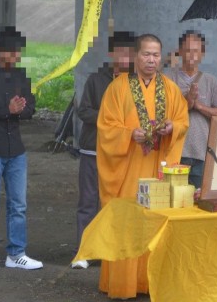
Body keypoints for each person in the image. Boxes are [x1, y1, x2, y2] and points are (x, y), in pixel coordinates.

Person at [95, 33, 189, 299]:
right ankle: (122, 283)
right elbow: (105, 127)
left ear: (162, 57)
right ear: (136, 56)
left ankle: (149, 281)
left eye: (156, 55)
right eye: (146, 54)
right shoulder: (118, 87)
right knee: (127, 222)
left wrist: (173, 127)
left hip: (157, 167)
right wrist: (128, 134)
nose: (151, 60)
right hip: (128, 169)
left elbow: (182, 120)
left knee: (155, 221)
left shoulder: (170, 88)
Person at [0, 26, 43, 272]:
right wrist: (7, 110)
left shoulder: (22, 77)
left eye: (18, 53)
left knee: (18, 204)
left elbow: (31, 108)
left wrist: (21, 109)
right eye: (11, 53)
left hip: (17, 152)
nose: (15, 57)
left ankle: (16, 253)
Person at [72, 32, 135, 270]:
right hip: (93, 150)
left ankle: (112, 250)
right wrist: (110, 121)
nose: (124, 57)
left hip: (122, 153)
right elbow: (84, 111)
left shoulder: (136, 83)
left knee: (118, 203)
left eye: (129, 53)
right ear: (111, 54)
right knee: (88, 201)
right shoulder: (96, 80)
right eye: (119, 51)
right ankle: (83, 252)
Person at [167, 31, 217, 190]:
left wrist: (199, 106)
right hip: (175, 151)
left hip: (202, 152)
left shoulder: (211, 81)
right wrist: (187, 101)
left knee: (198, 198)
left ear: (202, 53)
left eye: (196, 50)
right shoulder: (168, 79)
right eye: (187, 50)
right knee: (174, 196)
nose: (191, 55)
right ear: (180, 51)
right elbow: (163, 112)